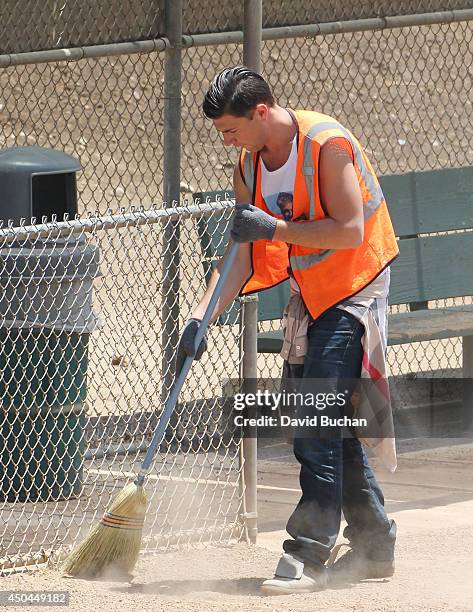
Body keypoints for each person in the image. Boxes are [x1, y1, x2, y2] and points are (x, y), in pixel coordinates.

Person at [176, 66, 399, 596]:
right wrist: (202, 315)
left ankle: (309, 554)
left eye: (231, 129)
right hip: (311, 295)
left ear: (260, 112)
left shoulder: (327, 144)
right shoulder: (251, 166)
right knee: (332, 424)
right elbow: (243, 254)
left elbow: (349, 230)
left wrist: (275, 227)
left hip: (355, 288)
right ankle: (373, 546)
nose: (227, 141)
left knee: (314, 420)